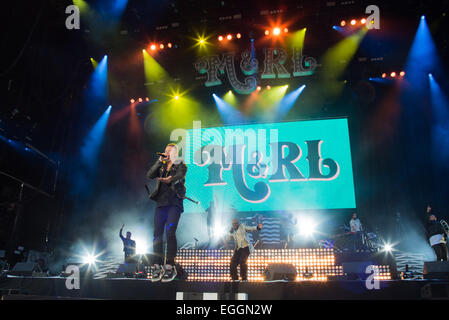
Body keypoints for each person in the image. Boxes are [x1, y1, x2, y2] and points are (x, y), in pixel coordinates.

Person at [147, 143, 187, 282]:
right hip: (161, 204)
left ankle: (170, 266)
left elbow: (180, 176)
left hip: (174, 203)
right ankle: (157, 266)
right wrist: (159, 162)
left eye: (170, 151)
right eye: (165, 151)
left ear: (175, 153)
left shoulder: (181, 164)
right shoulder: (162, 166)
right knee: (157, 234)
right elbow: (150, 174)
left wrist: (169, 179)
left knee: (170, 233)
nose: (167, 153)